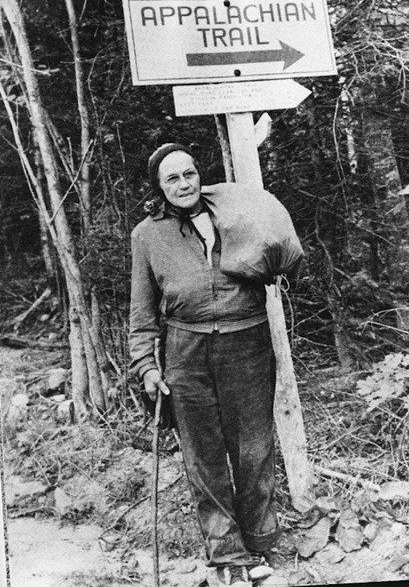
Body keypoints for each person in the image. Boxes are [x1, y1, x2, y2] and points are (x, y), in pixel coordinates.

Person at [129, 143, 300, 587]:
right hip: (186, 351)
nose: (184, 184)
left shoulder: (232, 212)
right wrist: (147, 365)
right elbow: (142, 311)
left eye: (189, 174)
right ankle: (227, 555)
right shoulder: (147, 235)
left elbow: (277, 253)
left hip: (247, 342)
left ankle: (259, 544)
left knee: (255, 447)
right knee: (203, 456)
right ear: (158, 187)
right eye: (172, 179)